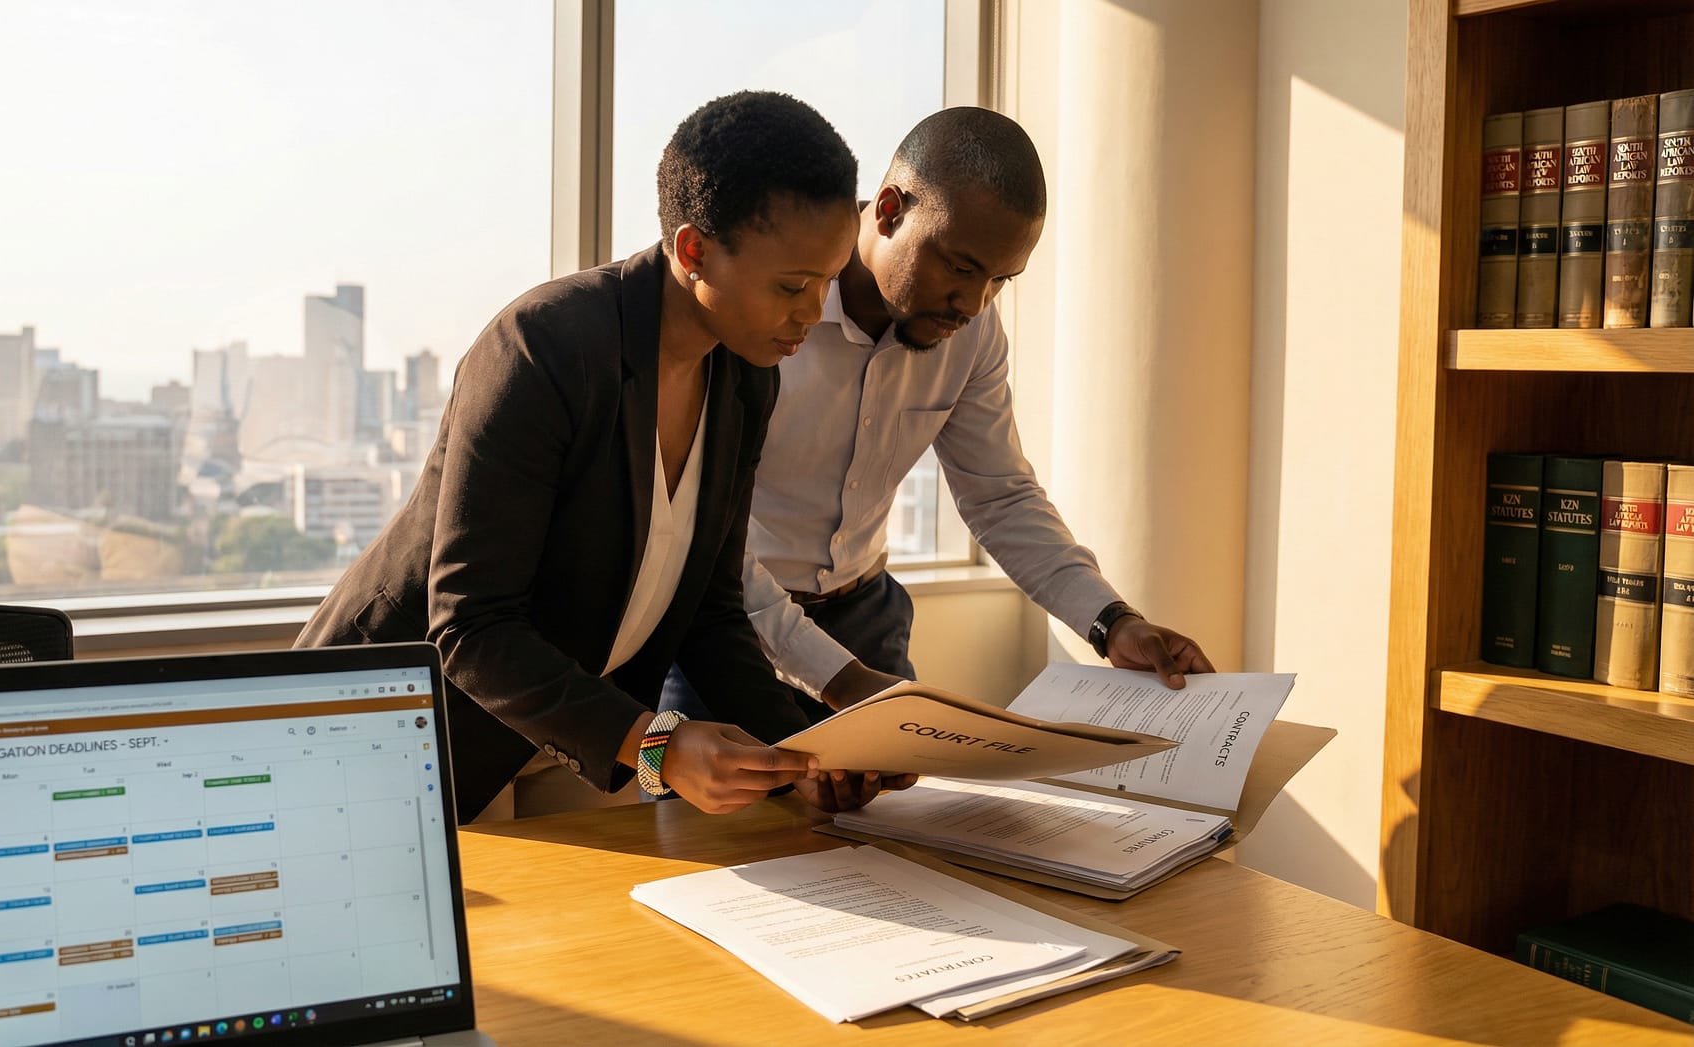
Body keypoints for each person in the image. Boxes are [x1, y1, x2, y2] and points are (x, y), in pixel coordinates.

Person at [296, 91, 868, 824]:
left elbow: (709, 610)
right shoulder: (542, 346)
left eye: (828, 279)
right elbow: (473, 627)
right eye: (792, 285)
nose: (813, 310)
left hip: (567, 733)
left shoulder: (743, 379)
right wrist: (657, 745)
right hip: (401, 730)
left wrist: (806, 755)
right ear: (693, 251)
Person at [665, 106, 1215, 729]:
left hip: (867, 620)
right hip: (724, 619)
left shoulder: (972, 330)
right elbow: (699, 529)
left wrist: (1113, 622)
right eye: (960, 267)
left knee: (893, 825)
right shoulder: (754, 314)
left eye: (1000, 280)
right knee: (685, 807)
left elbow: (1000, 497)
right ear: (891, 209)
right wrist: (838, 680)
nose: (974, 303)